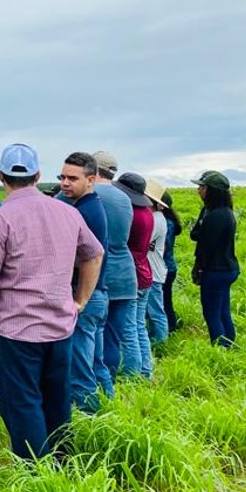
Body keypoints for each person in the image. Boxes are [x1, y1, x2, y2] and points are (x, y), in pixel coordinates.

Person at [0, 144, 103, 461]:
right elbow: (94, 254)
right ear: (38, 176)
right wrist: (80, 300)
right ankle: (62, 463)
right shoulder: (68, 212)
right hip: (60, 327)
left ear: (1, 177)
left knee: (21, 403)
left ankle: (36, 473)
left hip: (16, 331)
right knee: (57, 400)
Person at [56, 152, 113, 413]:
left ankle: (88, 417)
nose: (65, 183)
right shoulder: (88, 206)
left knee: (79, 368)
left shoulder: (85, 211)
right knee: (95, 362)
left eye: (72, 178)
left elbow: (87, 258)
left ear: (91, 180)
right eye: (62, 177)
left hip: (86, 297)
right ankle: (107, 410)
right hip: (97, 295)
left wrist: (79, 300)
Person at [91, 151, 142, 379]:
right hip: (125, 273)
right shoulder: (124, 198)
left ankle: (97, 382)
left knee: (93, 335)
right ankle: (117, 379)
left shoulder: (86, 193)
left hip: (98, 273)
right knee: (115, 334)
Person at [190, 170, 239, 348]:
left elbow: (205, 247)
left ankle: (220, 350)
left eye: (202, 187)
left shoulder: (216, 215)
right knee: (223, 310)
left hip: (215, 270)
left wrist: (199, 268)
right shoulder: (220, 212)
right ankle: (229, 345)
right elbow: (195, 234)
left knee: (212, 313)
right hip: (227, 268)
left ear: (212, 191)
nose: (199, 190)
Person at [115, 172, 155, 380]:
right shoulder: (147, 212)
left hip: (133, 274)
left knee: (128, 328)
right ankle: (145, 371)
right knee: (138, 325)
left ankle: (132, 375)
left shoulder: (131, 214)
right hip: (144, 272)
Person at [144, 179, 170, 346]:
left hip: (152, 271)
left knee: (155, 311)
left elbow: (142, 241)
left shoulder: (156, 219)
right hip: (153, 270)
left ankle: (161, 343)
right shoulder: (156, 217)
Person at [159, 191, 183, 332]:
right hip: (169, 266)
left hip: (164, 267)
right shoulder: (170, 221)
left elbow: (163, 246)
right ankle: (171, 326)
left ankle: (170, 327)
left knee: (164, 300)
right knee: (166, 298)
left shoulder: (166, 223)